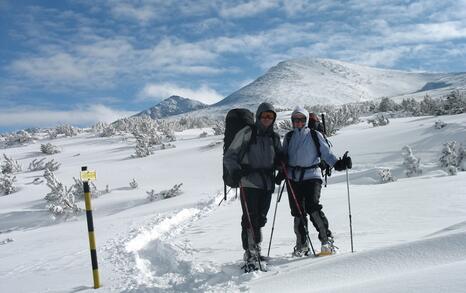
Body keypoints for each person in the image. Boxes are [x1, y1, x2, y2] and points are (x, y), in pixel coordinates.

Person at [278, 106, 351, 256]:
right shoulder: (289, 137)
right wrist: (281, 171)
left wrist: (338, 164)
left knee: (312, 207)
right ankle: (302, 245)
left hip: (312, 176)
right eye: (295, 120)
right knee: (298, 212)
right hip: (293, 178)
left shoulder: (314, 135)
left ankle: (327, 241)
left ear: (305, 120)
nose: (298, 122)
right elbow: (284, 157)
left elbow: (327, 154)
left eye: (301, 119)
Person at [223, 102, 282, 263]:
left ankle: (256, 248)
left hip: (267, 183)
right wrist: (236, 171)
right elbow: (230, 156)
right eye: (264, 116)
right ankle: (250, 252)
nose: (267, 119)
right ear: (258, 116)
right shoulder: (248, 132)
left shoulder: (274, 137)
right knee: (250, 218)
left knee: (261, 219)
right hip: (248, 182)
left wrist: (281, 169)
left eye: (270, 116)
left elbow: (278, 159)